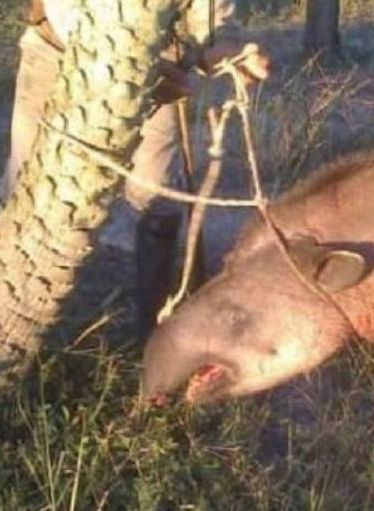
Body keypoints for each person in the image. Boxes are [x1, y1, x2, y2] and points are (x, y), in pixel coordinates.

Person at [1, 0, 269, 337]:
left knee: (157, 196)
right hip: (55, 52)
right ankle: (10, 330)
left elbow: (213, 18)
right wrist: (131, 71)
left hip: (160, 68)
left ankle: (154, 334)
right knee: (30, 189)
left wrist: (224, 50)